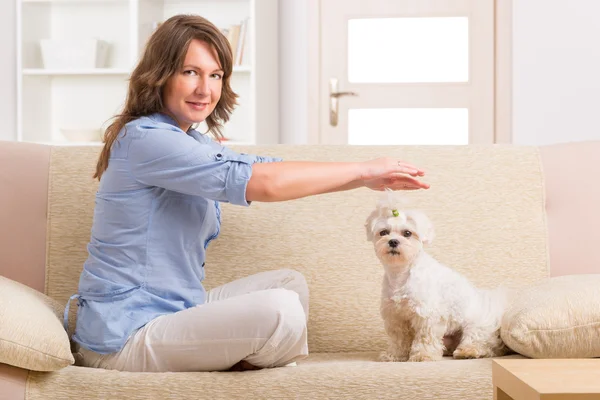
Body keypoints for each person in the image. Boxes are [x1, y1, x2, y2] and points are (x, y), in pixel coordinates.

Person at [65, 14, 430, 373]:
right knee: (279, 310)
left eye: (215, 75)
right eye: (190, 72)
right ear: (160, 74)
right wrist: (364, 170)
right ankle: (238, 358)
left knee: (289, 284)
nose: (204, 89)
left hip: (172, 313)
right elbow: (263, 183)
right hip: (124, 336)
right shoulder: (148, 139)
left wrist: (366, 178)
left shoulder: (188, 140)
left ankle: (234, 357)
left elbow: (265, 168)